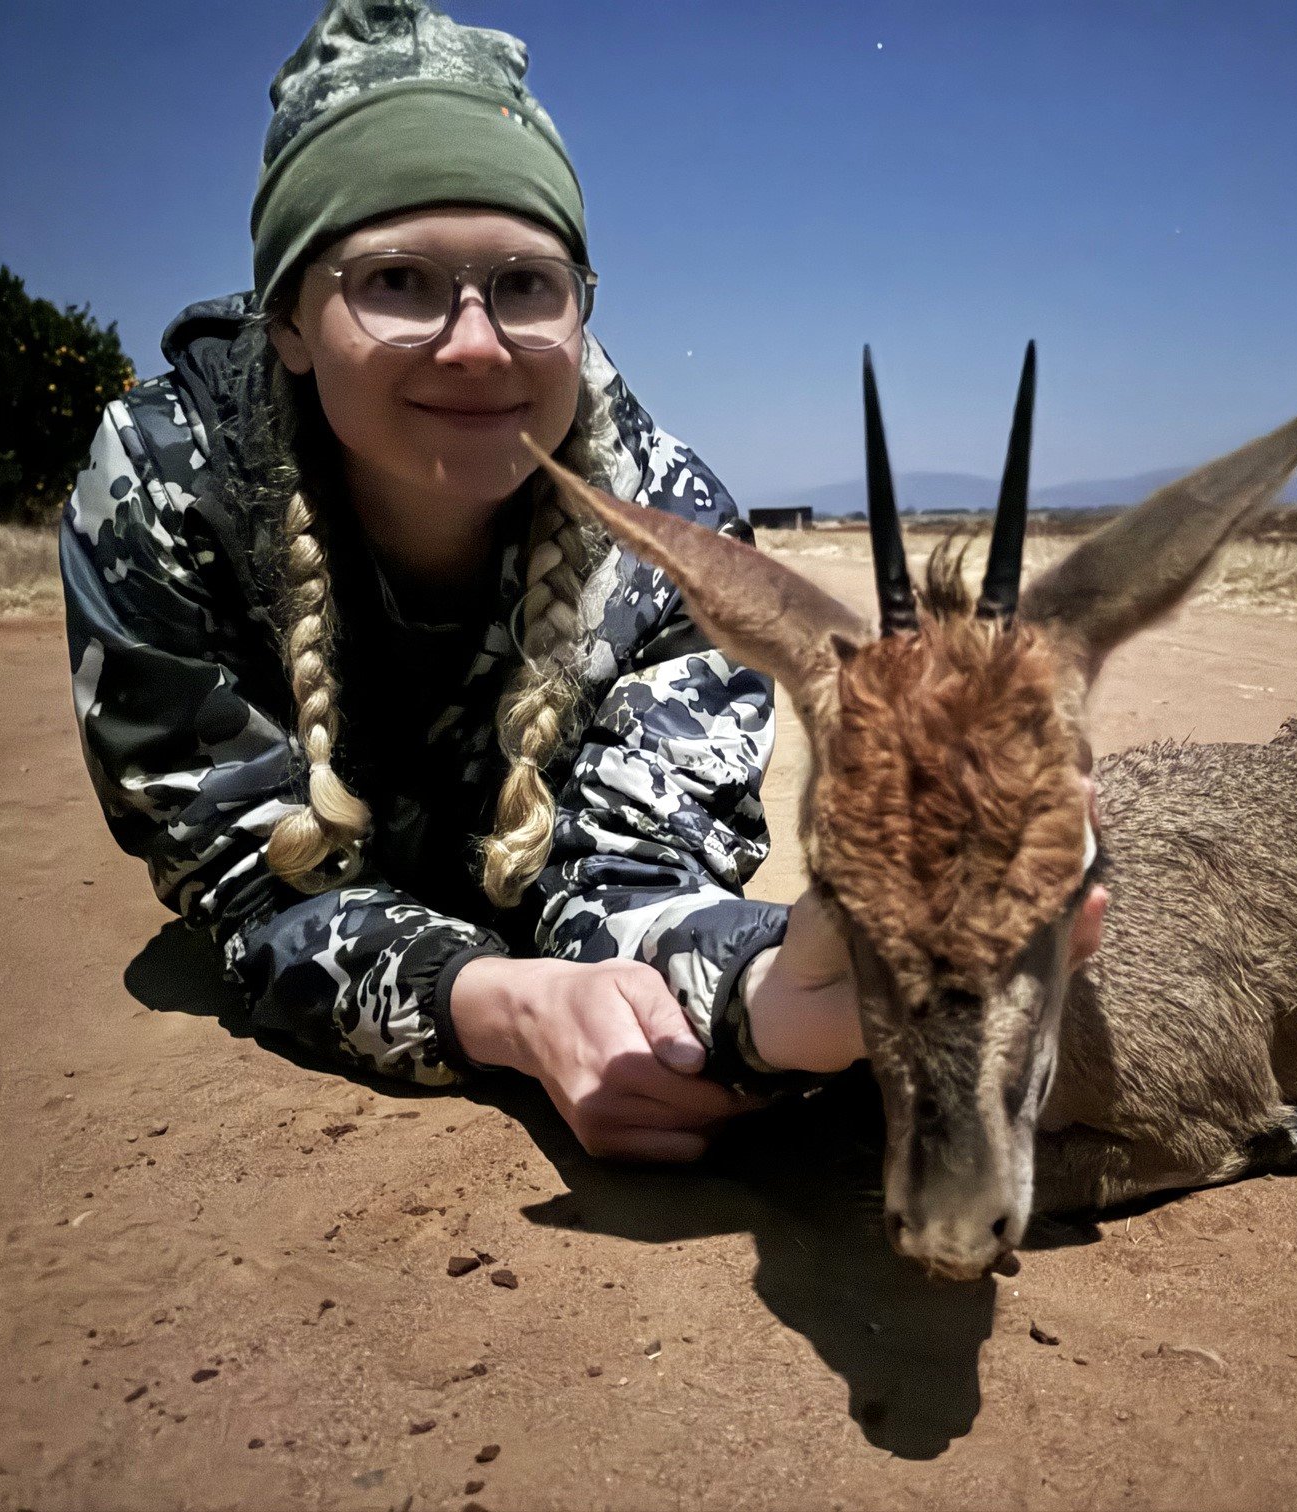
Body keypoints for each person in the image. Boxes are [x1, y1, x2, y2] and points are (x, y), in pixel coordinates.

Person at [59, 0, 869, 1163]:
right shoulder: (163, 489)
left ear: (580, 303)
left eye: (527, 285)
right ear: (288, 316)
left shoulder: (676, 537)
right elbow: (250, 884)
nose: (478, 343)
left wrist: (758, 992)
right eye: (398, 280)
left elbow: (639, 868)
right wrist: (493, 1008)